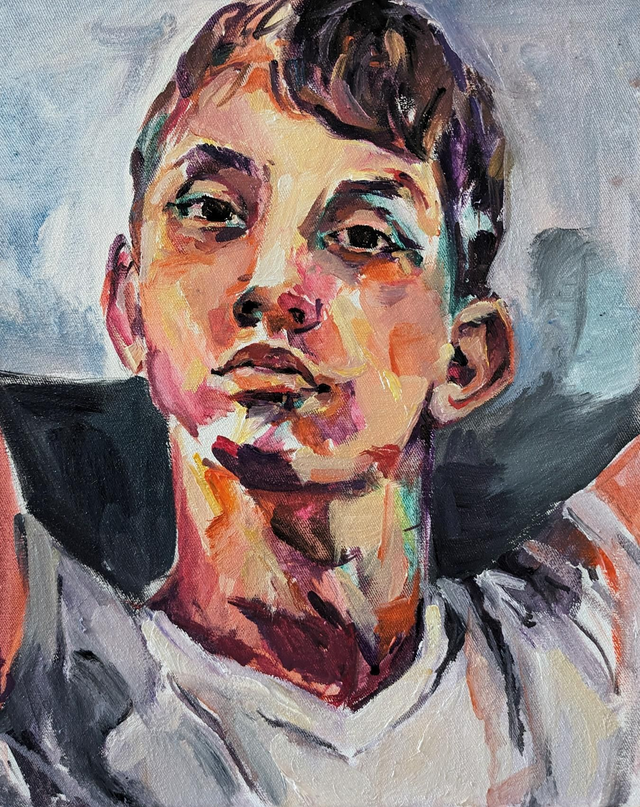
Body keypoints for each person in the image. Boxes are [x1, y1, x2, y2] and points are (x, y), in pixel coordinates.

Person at [0, 0, 638, 804]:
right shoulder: (56, 701)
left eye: (365, 237)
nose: (272, 287)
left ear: (466, 358)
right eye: (211, 212)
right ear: (129, 308)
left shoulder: (572, 674)